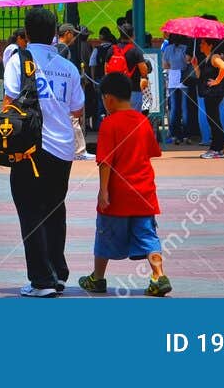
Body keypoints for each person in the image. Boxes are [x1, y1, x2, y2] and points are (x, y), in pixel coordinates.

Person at [4, 8, 84, 297]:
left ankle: (41, 280)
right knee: (54, 209)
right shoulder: (67, 67)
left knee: (30, 211)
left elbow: (9, 103)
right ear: (54, 34)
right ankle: (57, 272)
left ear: (26, 33)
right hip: (63, 149)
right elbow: (77, 109)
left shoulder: (18, 60)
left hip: (30, 148)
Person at [80, 72, 171, 297]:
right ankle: (159, 275)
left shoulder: (109, 124)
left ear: (108, 98)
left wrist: (103, 191)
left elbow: (105, 162)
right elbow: (151, 152)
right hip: (144, 193)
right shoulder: (142, 121)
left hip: (117, 195)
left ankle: (97, 278)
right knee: (149, 237)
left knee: (105, 235)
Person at [58, 23, 92, 159]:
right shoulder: (63, 49)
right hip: (64, 90)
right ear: (67, 34)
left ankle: (75, 150)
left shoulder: (57, 47)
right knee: (73, 120)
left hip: (60, 90)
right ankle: (79, 151)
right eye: (73, 35)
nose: (74, 38)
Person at [195, 38, 224, 159]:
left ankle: (217, 148)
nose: (200, 45)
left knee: (214, 120)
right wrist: (195, 65)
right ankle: (216, 148)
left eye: (203, 43)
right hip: (209, 93)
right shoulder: (207, 58)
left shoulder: (214, 57)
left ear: (210, 45)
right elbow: (200, 76)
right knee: (212, 120)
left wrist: (217, 81)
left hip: (214, 93)